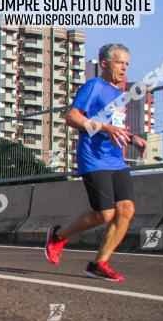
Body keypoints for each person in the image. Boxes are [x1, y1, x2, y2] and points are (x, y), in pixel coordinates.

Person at [44, 43, 146, 281]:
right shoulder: (94, 86)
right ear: (104, 63)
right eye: (120, 62)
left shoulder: (120, 94)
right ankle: (58, 236)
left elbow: (113, 127)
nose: (124, 68)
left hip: (116, 160)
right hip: (94, 159)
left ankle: (99, 263)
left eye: (127, 64)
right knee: (104, 214)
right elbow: (72, 117)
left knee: (126, 210)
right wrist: (105, 127)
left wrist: (132, 138)